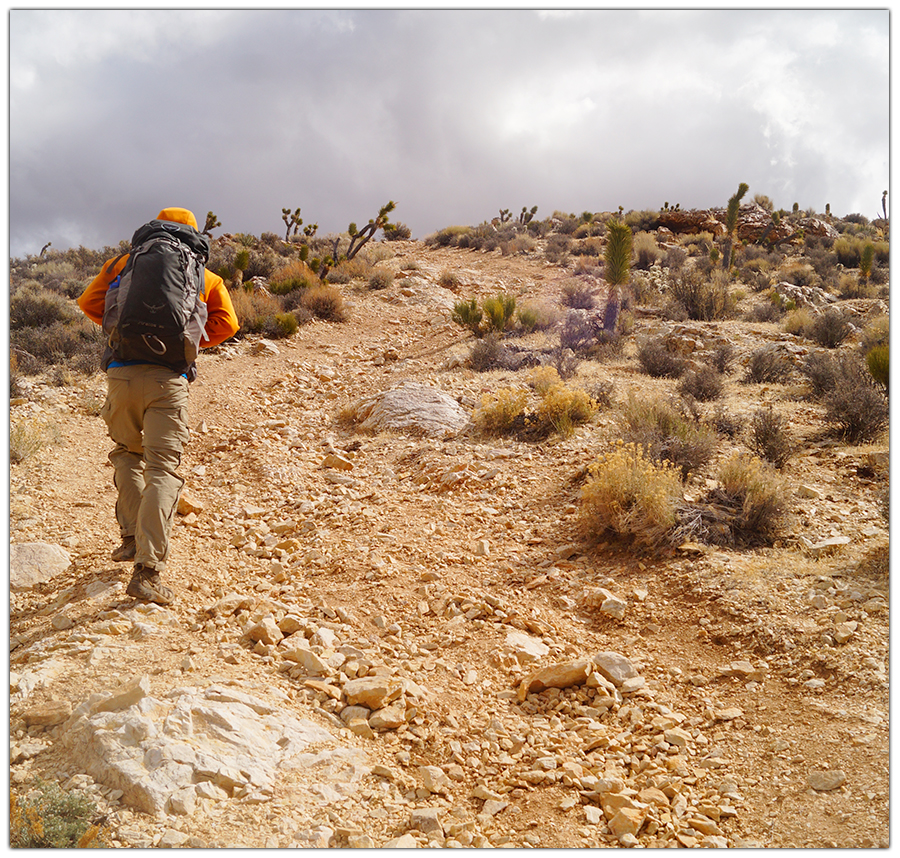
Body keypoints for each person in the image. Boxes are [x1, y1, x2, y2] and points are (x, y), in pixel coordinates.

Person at [78, 207, 239, 604]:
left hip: (121, 375)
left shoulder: (122, 262)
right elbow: (229, 325)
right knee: (162, 469)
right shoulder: (206, 275)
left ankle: (131, 537)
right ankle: (148, 572)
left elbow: (89, 303)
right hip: (169, 379)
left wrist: (120, 330)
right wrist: (189, 341)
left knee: (126, 454)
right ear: (192, 234)